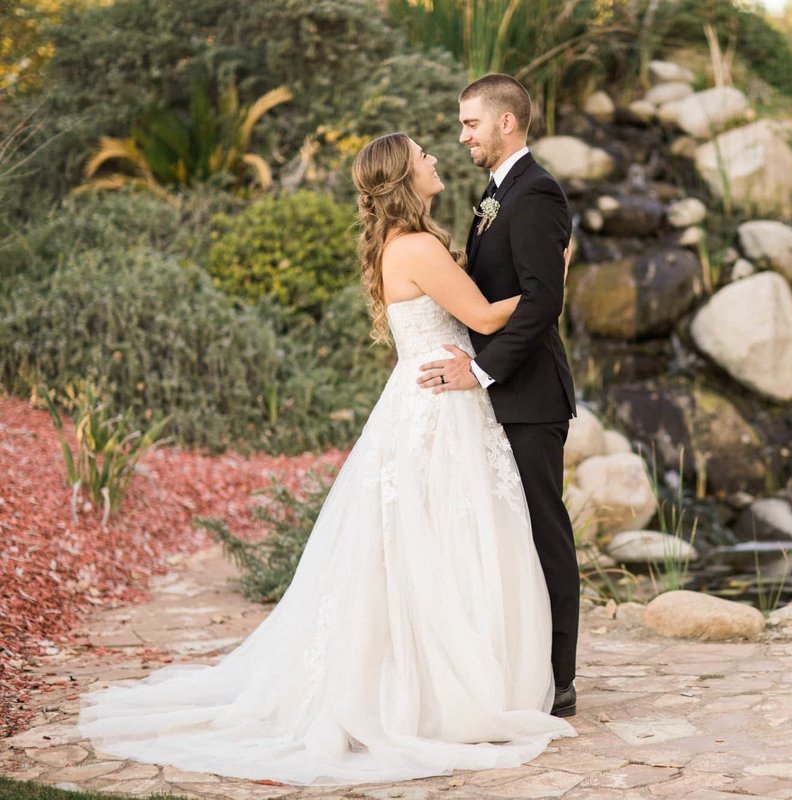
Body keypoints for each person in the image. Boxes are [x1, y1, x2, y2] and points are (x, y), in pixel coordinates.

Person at [76, 131, 576, 786]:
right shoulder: (420, 247)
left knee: (422, 545)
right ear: (404, 177)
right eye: (423, 155)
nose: (434, 158)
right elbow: (483, 320)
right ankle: (445, 682)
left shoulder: (403, 244)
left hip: (425, 400)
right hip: (440, 406)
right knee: (446, 540)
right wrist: (552, 284)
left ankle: (426, 671)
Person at [417, 74, 579, 718]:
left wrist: (481, 372)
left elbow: (544, 300)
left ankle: (559, 679)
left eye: (470, 124)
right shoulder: (496, 192)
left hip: (531, 395)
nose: (462, 136)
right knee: (509, 538)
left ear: (506, 123)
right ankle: (518, 667)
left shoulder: (536, 191)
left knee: (544, 535)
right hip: (502, 395)